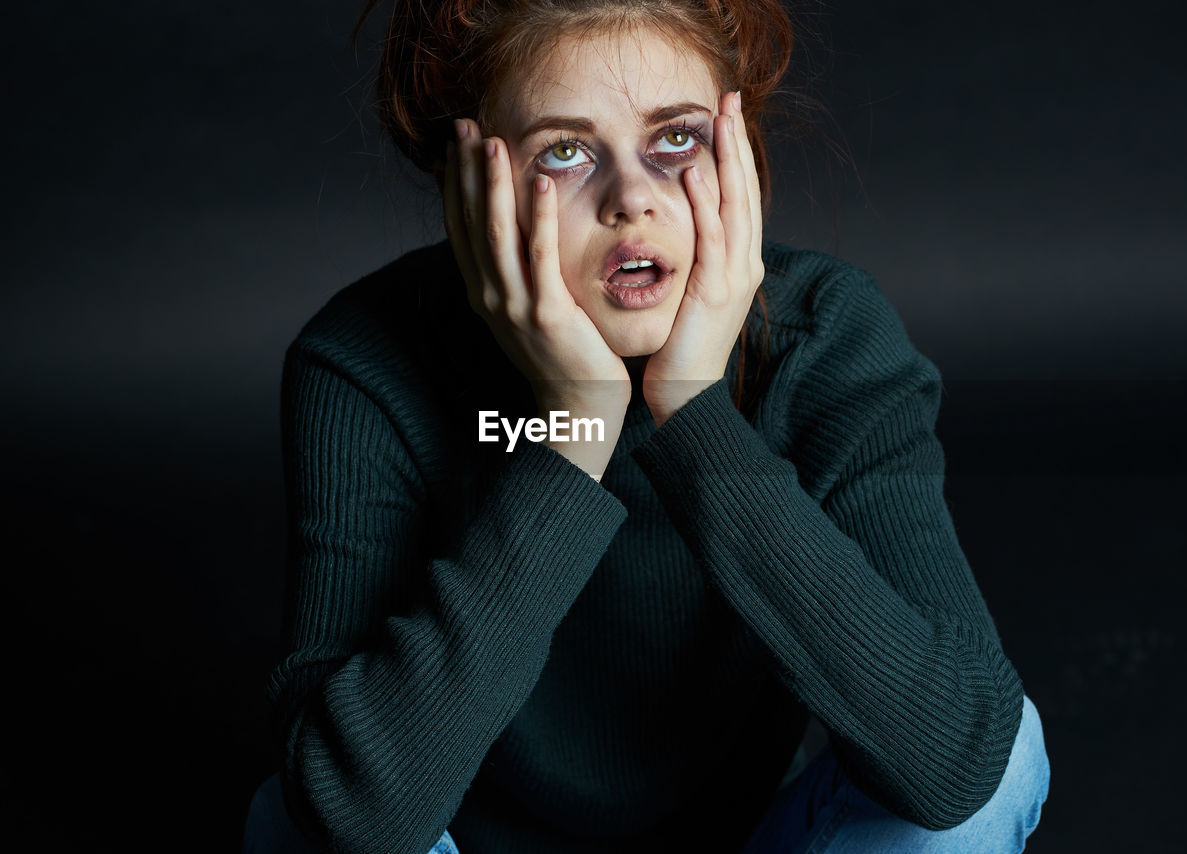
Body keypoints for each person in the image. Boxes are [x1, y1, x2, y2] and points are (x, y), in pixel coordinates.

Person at [243, 1, 1051, 852]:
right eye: (565, 150)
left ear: (736, 152)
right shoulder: (365, 364)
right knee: (299, 820)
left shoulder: (824, 336)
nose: (633, 200)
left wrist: (694, 411)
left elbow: (957, 764)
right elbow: (352, 814)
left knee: (1003, 746)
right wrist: (576, 426)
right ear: (465, 182)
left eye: (675, 140)